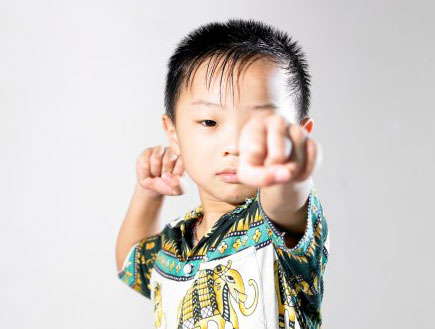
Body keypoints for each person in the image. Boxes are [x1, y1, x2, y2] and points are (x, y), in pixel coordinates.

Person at [115, 18, 329, 329]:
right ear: (173, 133)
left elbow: (286, 201)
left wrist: (287, 169)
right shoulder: (177, 243)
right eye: (210, 123)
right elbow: (129, 263)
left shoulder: (277, 224)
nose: (234, 146)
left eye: (260, 127)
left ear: (298, 135)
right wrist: (147, 194)